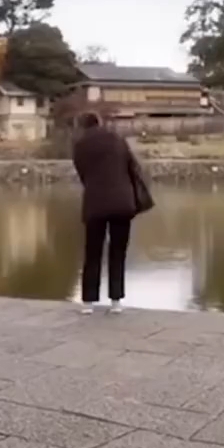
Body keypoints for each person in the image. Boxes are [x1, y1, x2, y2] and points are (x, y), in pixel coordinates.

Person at [72, 112, 153, 315]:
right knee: (118, 251)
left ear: (81, 126)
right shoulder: (117, 139)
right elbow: (133, 167)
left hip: (95, 203)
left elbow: (83, 174)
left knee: (93, 252)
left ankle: (88, 302)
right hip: (122, 202)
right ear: (99, 122)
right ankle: (116, 301)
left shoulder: (80, 145)